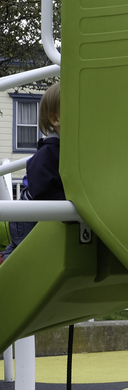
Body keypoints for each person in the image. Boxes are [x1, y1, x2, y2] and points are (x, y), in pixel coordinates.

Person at [1, 83, 63, 262]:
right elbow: (42, 188)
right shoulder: (47, 152)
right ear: (55, 119)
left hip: (41, 215)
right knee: (23, 252)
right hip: (28, 216)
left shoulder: (72, 150)